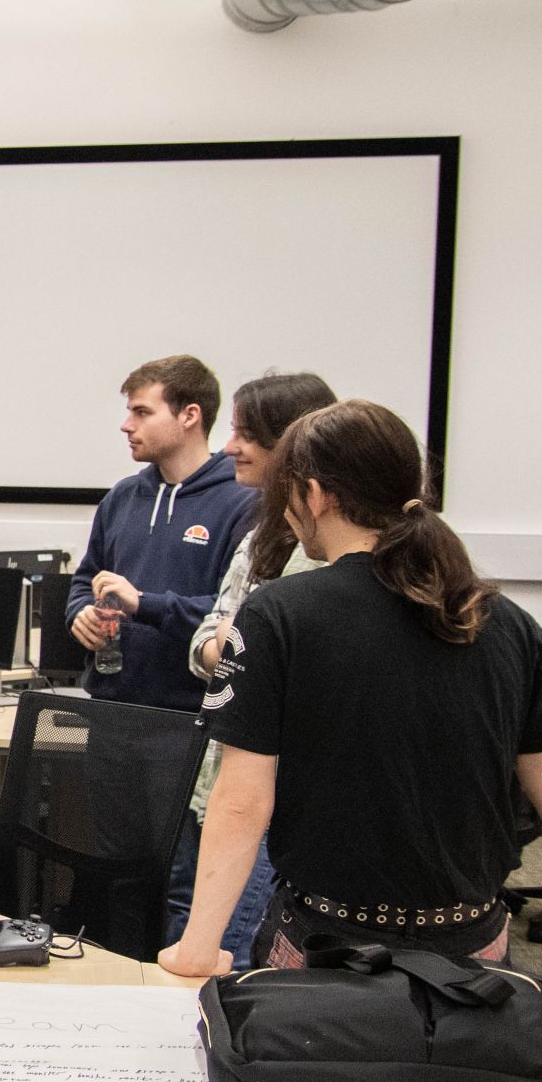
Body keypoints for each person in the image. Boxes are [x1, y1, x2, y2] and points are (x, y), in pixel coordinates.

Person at [160, 400, 542, 1010]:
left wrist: (199, 946)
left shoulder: (277, 614)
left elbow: (241, 801)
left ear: (314, 495)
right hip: (473, 953)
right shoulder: (506, 622)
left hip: (325, 949)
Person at [164, 371, 337, 969]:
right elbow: (206, 644)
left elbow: (268, 664)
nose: (229, 446)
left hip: (270, 795)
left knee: (232, 951)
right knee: (189, 923)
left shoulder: (324, 559)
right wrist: (235, 646)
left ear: (289, 445)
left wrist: (232, 645)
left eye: (245, 434)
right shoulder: (263, 536)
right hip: (215, 774)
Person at [66, 354, 255, 711]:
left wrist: (143, 603)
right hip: (109, 705)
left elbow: (236, 613)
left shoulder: (242, 501)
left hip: (189, 712)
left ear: (189, 416)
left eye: (142, 412)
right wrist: (81, 613)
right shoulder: (122, 496)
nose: (126, 425)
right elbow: (86, 579)